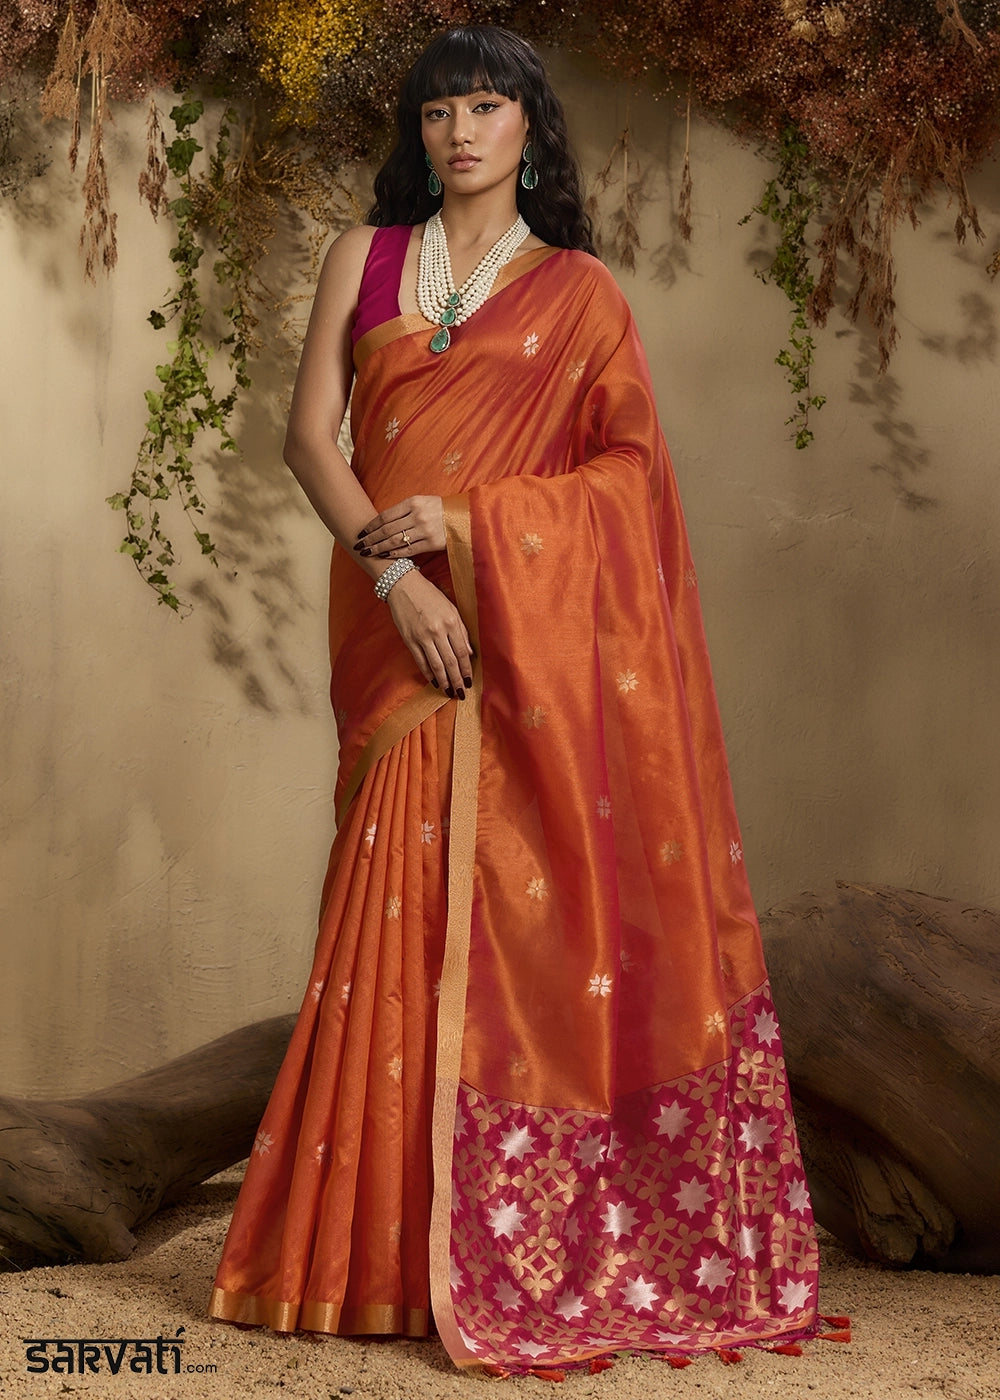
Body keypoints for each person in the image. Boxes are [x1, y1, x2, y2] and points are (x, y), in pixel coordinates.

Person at [208, 24, 823, 1376]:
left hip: (515, 635)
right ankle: (360, 1261)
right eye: (439, 112)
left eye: (486, 107)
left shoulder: (581, 293)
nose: (461, 131)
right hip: (397, 629)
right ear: (417, 132)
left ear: (529, 130)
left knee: (497, 912)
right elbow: (311, 439)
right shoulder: (364, 258)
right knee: (387, 898)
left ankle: (487, 1245)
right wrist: (399, 580)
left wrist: (469, 527)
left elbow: (630, 481)